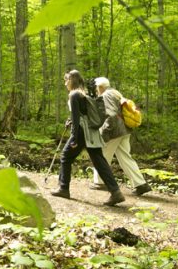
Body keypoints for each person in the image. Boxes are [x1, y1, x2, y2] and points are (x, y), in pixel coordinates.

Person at [51, 70, 126, 206]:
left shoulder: (74, 94)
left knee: (65, 156)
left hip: (81, 132)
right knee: (99, 161)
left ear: (72, 80)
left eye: (66, 80)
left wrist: (74, 138)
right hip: (92, 131)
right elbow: (82, 113)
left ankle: (63, 189)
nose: (65, 83)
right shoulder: (83, 92)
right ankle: (116, 192)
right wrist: (71, 121)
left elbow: (76, 116)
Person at [90, 77, 151, 195]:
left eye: (96, 88)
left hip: (114, 131)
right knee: (125, 157)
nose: (96, 90)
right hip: (124, 130)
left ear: (100, 87)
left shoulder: (106, 95)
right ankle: (140, 184)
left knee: (100, 154)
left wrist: (104, 132)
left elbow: (111, 114)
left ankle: (100, 182)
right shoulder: (115, 93)